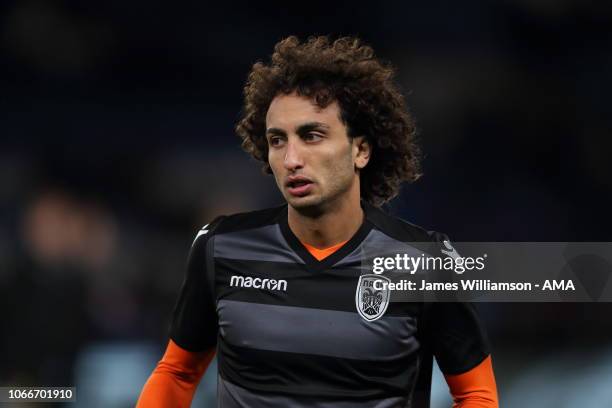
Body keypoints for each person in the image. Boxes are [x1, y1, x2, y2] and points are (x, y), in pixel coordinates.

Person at [137, 36, 498, 408]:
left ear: (360, 150)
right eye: (277, 140)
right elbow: (177, 373)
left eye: (311, 136)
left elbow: (476, 394)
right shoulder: (221, 246)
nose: (292, 158)